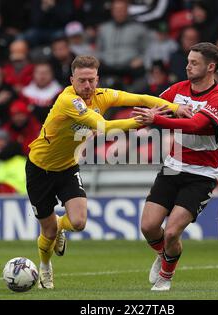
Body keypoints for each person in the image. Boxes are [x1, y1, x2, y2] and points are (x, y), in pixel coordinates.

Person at [26, 55, 192, 289]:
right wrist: (141, 122)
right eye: (82, 80)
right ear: (71, 79)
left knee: (79, 222)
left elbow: (140, 97)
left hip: (67, 167)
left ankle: (61, 227)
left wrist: (175, 107)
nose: (87, 86)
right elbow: (102, 126)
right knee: (48, 230)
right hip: (39, 168)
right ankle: (45, 266)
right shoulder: (68, 101)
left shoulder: (102, 95)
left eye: (91, 80)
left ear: (97, 78)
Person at [133, 42, 218, 291]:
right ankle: (163, 255)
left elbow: (196, 125)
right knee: (148, 226)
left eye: (194, 62)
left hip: (201, 174)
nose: (188, 65)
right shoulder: (178, 89)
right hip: (173, 166)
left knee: (171, 233)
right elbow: (153, 107)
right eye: (188, 60)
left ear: (211, 67)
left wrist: (157, 120)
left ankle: (166, 276)